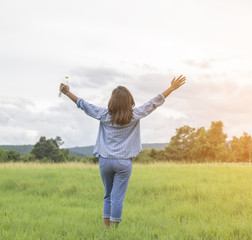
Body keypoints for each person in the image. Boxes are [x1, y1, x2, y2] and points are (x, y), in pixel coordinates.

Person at [59, 75, 186, 228]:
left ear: (112, 102)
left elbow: (83, 104)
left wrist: (67, 93)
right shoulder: (135, 115)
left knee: (108, 196)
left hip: (105, 160)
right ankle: (114, 232)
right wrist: (171, 88)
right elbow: (153, 102)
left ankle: (107, 230)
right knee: (117, 197)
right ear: (130, 101)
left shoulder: (103, 114)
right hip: (124, 162)